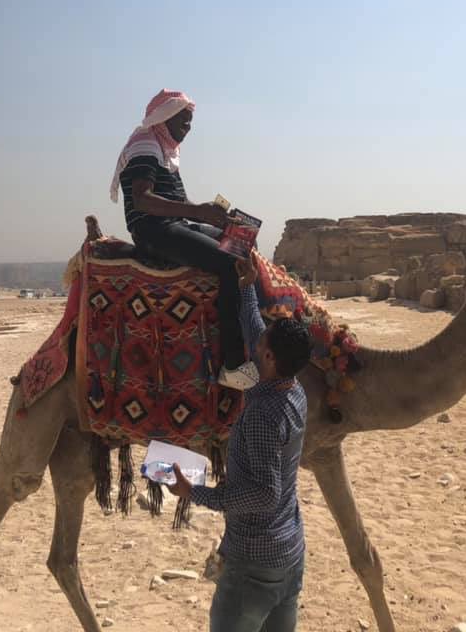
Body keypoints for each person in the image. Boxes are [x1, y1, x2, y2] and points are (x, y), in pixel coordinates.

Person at [169, 251, 312, 632]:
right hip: (289, 554)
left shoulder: (264, 414)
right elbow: (254, 332)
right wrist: (248, 287)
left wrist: (194, 493)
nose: (257, 338)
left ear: (268, 358)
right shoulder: (292, 389)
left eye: (263, 343)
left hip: (254, 567)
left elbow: (264, 494)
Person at [110, 89, 257, 390]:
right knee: (228, 264)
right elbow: (142, 200)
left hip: (174, 224)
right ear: (164, 118)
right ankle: (232, 365)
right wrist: (197, 211)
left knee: (240, 244)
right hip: (154, 231)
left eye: (190, 123)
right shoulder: (145, 145)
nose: (187, 128)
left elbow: (176, 200)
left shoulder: (165, 150)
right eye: (182, 121)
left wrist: (211, 215)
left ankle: (255, 328)